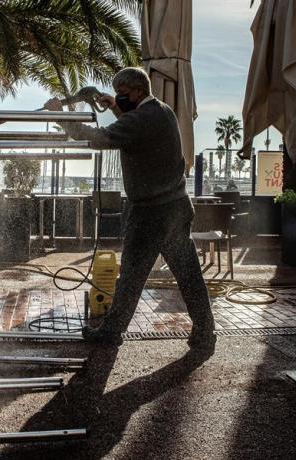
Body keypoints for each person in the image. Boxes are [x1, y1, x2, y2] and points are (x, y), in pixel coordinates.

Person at [44, 67, 215, 354]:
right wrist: (115, 107)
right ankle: (205, 332)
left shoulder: (142, 119)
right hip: (175, 207)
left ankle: (111, 333)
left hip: (151, 213)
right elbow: (134, 129)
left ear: (136, 92)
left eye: (123, 95)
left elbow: (100, 139)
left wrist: (61, 114)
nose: (120, 98)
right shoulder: (162, 111)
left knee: (133, 277)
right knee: (187, 275)